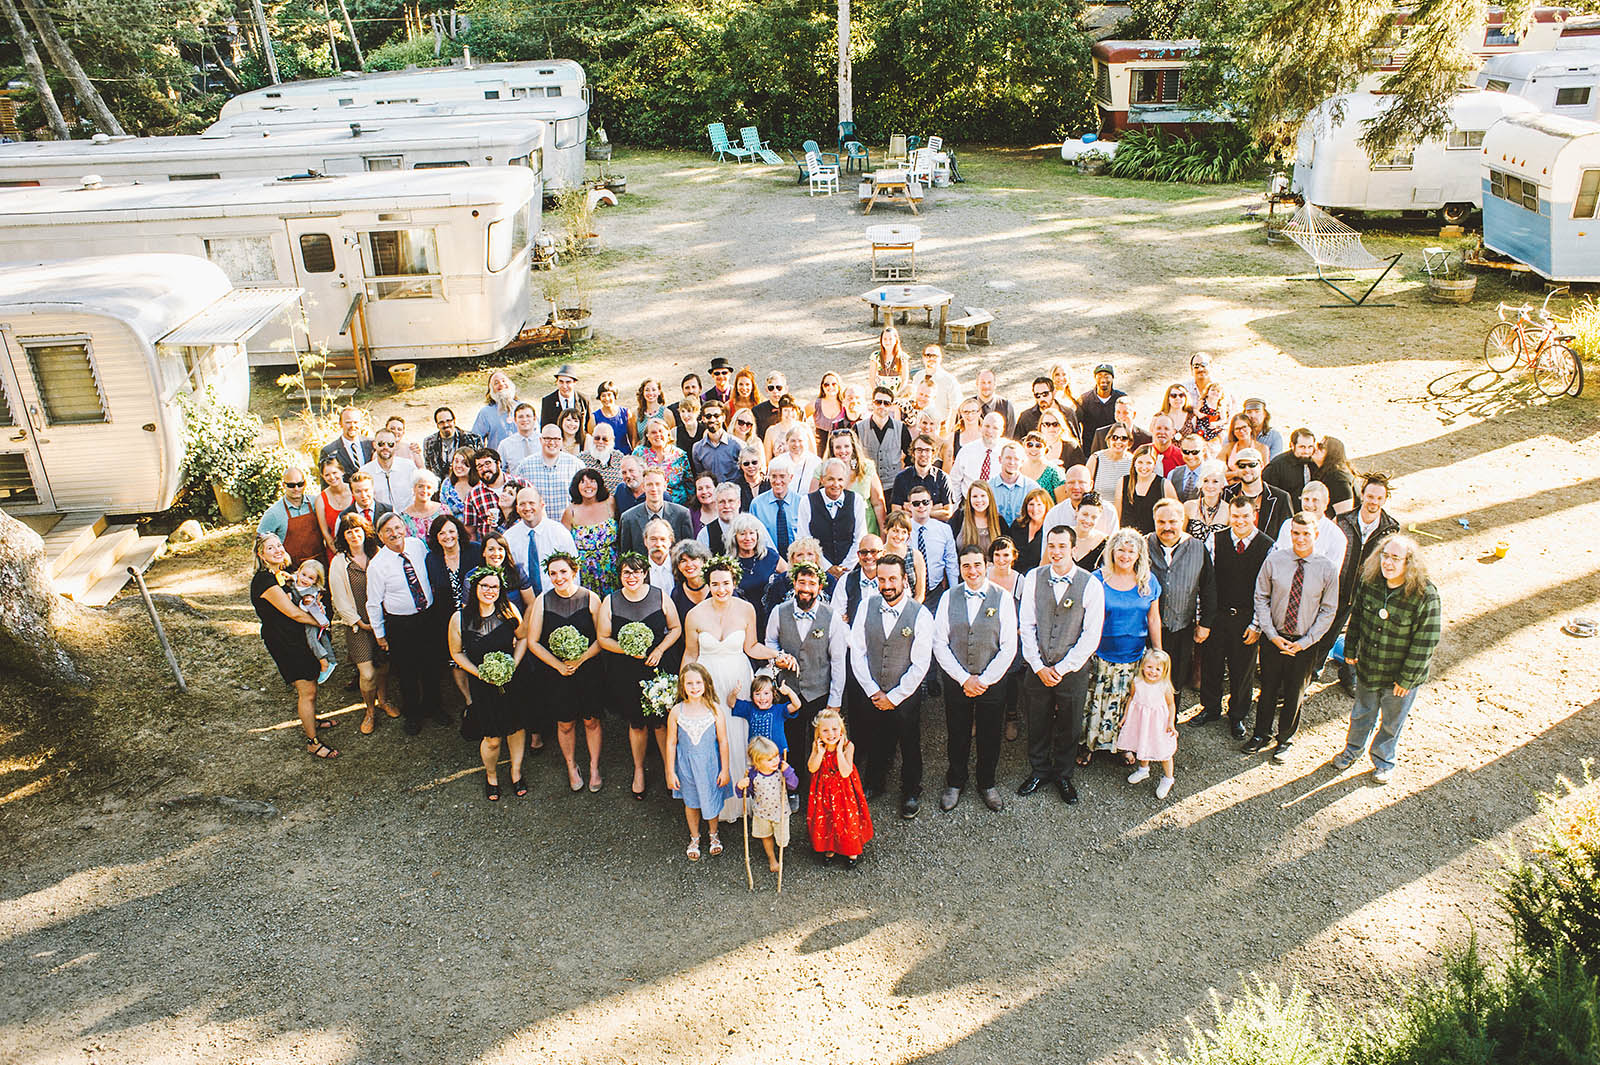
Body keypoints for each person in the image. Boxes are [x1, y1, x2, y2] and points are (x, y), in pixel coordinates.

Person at [1333, 534, 1441, 783]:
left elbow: (1425, 642)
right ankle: (1352, 751)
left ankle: (1383, 761)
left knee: (1392, 723)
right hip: (1369, 666)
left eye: (1395, 558)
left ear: (1409, 562)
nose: (1388, 563)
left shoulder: (1425, 595)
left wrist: (1406, 679)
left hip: (1399, 678)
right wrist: (1350, 650)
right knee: (1362, 713)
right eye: (1385, 556)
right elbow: (1357, 617)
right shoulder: (1370, 581)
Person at [684, 555, 783, 823]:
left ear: (734, 582)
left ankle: (747, 797)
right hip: (708, 683)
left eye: (726, 583)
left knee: (740, 735)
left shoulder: (746, 609)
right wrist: (682, 689)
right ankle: (719, 801)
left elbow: (751, 647)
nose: (721, 589)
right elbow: (690, 654)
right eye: (715, 584)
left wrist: (777, 655)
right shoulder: (695, 615)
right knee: (716, 737)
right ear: (708, 583)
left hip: (738, 680)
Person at [1016, 525, 1103, 803]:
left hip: (1073, 669)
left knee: (1070, 723)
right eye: (1051, 546)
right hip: (1037, 666)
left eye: (1062, 546)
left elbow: (1091, 635)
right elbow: (1026, 624)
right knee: (1037, 719)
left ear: (1073, 549)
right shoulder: (1034, 577)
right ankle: (1039, 770)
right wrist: (1039, 666)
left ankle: (1064, 775)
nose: (1055, 552)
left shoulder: (1090, 583)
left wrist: (1063, 668)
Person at [1246, 512, 1339, 762]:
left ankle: (1285, 738)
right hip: (1274, 638)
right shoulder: (1275, 561)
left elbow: (1329, 609)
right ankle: (1260, 734)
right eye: (1296, 533)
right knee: (1267, 689)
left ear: (1316, 535)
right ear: (1290, 533)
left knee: (1295, 692)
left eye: (1306, 533)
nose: (1300, 538)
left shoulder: (1327, 569)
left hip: (1304, 642)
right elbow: (1261, 597)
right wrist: (1272, 634)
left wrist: (1305, 642)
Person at [933, 545, 1019, 813]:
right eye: (966, 566)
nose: (972, 571)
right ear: (960, 569)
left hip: (992, 681)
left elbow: (1009, 645)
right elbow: (940, 643)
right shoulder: (949, 597)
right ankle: (955, 781)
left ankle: (987, 782)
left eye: (977, 565)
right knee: (957, 732)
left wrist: (985, 679)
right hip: (957, 681)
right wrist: (963, 679)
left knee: (990, 734)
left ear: (986, 566)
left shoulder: (1002, 598)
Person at [848, 553, 934, 819]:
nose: (887, 585)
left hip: (904, 693)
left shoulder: (920, 614)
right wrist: (873, 690)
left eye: (893, 579)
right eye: (882, 579)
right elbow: (857, 651)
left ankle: (910, 790)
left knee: (909, 741)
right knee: (874, 736)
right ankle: (875, 782)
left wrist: (894, 696)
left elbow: (920, 664)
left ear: (904, 579)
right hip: (871, 689)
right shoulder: (866, 606)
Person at [596, 552, 682, 799]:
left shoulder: (660, 596)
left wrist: (659, 649)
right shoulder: (610, 601)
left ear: (645, 573)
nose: (631, 577)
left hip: (657, 665)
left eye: (636, 572)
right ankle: (638, 770)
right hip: (627, 669)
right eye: (626, 572)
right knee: (636, 723)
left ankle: (669, 769)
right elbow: (603, 638)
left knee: (661, 723)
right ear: (620, 575)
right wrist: (627, 650)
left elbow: (675, 628)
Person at [765, 559, 848, 800]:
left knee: (819, 743)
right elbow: (770, 642)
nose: (806, 588)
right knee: (790, 742)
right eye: (802, 582)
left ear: (820, 588)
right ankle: (793, 790)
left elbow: (838, 660)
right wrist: (777, 658)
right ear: (794, 584)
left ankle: (819, 792)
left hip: (818, 691)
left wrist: (835, 700)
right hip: (788, 691)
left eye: (812, 583)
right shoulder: (778, 612)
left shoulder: (830, 616)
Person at [252, 533, 337, 760]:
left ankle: (313, 720)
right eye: (270, 548)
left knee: (311, 685)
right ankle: (312, 742)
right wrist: (321, 623)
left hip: (296, 638)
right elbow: (293, 614)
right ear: (261, 554)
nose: (278, 550)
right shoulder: (264, 581)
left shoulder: (280, 576)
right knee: (307, 691)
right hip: (284, 642)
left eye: (279, 545)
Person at [523, 551, 604, 791]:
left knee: (591, 721)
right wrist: (558, 665)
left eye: (563, 572)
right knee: (565, 723)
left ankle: (594, 767)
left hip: (587, 669)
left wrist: (581, 659)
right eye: (553, 573)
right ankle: (571, 766)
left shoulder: (591, 598)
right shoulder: (542, 601)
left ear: (574, 572)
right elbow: (533, 642)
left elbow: (602, 638)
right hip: (556, 673)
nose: (558, 577)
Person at [1193, 497, 1272, 739]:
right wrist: (1203, 619)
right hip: (1218, 613)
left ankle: (1237, 715)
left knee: (1242, 670)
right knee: (1212, 664)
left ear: (1254, 516)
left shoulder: (1267, 546)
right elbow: (1205, 582)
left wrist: (1257, 625)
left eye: (1245, 516)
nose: (1240, 521)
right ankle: (1211, 707)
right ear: (1230, 516)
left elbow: (1267, 589)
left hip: (1247, 617)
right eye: (1235, 516)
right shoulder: (1215, 540)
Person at [449, 567, 530, 801]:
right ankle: (491, 775)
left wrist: (513, 663)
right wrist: (479, 673)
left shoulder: (508, 611)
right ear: (474, 588)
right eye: (484, 585)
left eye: (494, 586)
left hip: (511, 681)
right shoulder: (459, 618)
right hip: (482, 685)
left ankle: (516, 771)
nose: (489, 590)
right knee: (492, 738)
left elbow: (523, 637)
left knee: (515, 728)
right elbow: (456, 652)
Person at [1082, 528, 1162, 766]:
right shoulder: (1097, 578)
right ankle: (1088, 746)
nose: (1125, 556)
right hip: (1100, 654)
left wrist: (1157, 652)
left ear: (1139, 554)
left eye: (1131, 551)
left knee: (1127, 703)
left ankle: (1124, 746)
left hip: (1133, 654)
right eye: (1121, 550)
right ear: (1112, 551)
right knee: (1093, 702)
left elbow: (1153, 618)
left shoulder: (1148, 581)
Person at [367, 513, 444, 736]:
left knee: (432, 664)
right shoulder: (377, 565)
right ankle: (413, 714)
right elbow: (373, 603)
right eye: (388, 531)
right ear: (380, 536)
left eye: (397, 527)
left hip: (427, 616)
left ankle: (434, 707)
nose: (394, 533)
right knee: (407, 671)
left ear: (405, 528)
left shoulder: (417, 545)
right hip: (400, 624)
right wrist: (380, 635)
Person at [1330, 474, 1401, 693]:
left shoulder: (1391, 529)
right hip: (1339, 587)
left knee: (1359, 637)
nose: (1374, 502)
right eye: (1370, 496)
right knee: (1328, 631)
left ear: (1385, 499)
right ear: (1362, 495)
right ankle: (1313, 670)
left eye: (1379, 498)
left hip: (1368, 591)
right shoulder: (1342, 521)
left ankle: (1349, 676)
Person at [329, 512, 394, 734]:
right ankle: (369, 710)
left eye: (357, 530)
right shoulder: (339, 563)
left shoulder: (378, 554)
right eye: (349, 532)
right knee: (367, 674)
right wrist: (360, 622)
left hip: (383, 623)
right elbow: (339, 598)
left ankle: (384, 700)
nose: (354, 535)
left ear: (365, 532)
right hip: (359, 627)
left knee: (384, 667)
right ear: (343, 536)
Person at [1147, 499, 1214, 711]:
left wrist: (1205, 623)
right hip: (1146, 628)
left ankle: (1169, 722)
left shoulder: (1197, 548)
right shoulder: (1142, 545)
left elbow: (1209, 588)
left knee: (1175, 678)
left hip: (1181, 627)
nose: (1167, 527)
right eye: (1161, 522)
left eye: (1172, 521)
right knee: (1146, 677)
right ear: (1155, 522)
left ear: (1182, 521)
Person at [665, 663, 733, 862]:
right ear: (682, 686)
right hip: (686, 767)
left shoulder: (714, 710)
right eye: (689, 683)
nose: (694, 687)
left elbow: (723, 741)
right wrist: (670, 771)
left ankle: (713, 833)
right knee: (691, 802)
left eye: (698, 682)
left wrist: (725, 769)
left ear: (706, 683)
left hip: (710, 766)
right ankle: (694, 836)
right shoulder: (677, 712)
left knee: (710, 799)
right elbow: (670, 743)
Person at [808, 707, 873, 867]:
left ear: (841, 730)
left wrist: (838, 751)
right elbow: (811, 767)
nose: (831, 734)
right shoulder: (817, 746)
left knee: (846, 819)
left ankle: (851, 850)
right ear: (818, 732)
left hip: (844, 791)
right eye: (825, 730)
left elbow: (845, 771)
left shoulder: (848, 746)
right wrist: (820, 753)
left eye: (834, 729)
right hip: (824, 791)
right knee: (828, 817)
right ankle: (830, 846)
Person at [1117, 648, 1178, 799]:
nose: (1153, 672)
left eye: (1158, 669)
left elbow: (1171, 705)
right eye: (1149, 667)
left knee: (1163, 751)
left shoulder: (1164, 687)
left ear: (1164, 670)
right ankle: (1144, 769)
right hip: (1141, 721)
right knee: (1142, 743)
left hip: (1158, 724)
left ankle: (1168, 778)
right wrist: (1125, 716)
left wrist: (1171, 722)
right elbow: (1131, 698)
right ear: (1143, 666)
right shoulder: (1137, 682)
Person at [798, 459, 867, 590]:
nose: (836, 484)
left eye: (840, 480)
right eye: (831, 479)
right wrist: (827, 568)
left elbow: (860, 538)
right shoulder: (806, 501)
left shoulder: (856, 500)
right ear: (822, 480)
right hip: (818, 571)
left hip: (850, 570)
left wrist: (844, 568)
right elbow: (804, 539)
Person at [736, 734, 798, 874]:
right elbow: (746, 794)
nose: (776, 760)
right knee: (766, 836)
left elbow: (794, 785)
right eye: (770, 759)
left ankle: (781, 852)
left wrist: (788, 772)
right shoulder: (753, 774)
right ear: (757, 762)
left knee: (782, 840)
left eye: (776, 755)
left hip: (781, 812)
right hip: (762, 813)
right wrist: (740, 787)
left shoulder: (781, 770)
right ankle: (772, 859)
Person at [502, 486, 576, 595]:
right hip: (525, 601)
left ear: (541, 505)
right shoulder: (509, 538)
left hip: (557, 597)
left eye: (531, 503)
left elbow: (574, 568)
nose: (527, 508)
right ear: (517, 508)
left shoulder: (559, 532)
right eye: (522, 504)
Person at [562, 469, 619, 595]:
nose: (588, 485)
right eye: (582, 482)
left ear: (599, 484)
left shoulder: (610, 503)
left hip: (611, 568)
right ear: (576, 486)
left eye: (592, 481)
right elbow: (563, 545)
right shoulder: (570, 511)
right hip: (585, 572)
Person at [514, 424, 585, 524]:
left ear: (561, 441)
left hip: (568, 527)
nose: (552, 443)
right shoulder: (525, 467)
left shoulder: (576, 465)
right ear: (540, 440)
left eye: (556, 439)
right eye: (547, 438)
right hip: (537, 527)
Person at [257, 466, 322, 568]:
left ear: (305, 483)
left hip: (320, 565)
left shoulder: (317, 502)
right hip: (291, 569)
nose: (296, 489)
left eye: (300, 484)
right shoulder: (273, 513)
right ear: (283, 485)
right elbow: (260, 543)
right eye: (291, 485)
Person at [618, 468, 693, 555]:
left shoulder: (682, 514)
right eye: (649, 484)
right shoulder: (628, 518)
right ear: (643, 487)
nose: (654, 489)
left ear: (665, 486)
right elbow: (625, 556)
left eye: (658, 484)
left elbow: (688, 552)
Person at [904, 486, 959, 603]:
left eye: (925, 502)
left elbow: (951, 562)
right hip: (908, 592)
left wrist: (954, 593)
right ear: (909, 506)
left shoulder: (944, 529)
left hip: (935, 591)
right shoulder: (902, 530)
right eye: (916, 503)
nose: (921, 506)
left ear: (931, 504)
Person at [1223, 447, 1293, 539]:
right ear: (1236, 468)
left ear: (1261, 466)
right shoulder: (1225, 493)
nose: (1247, 470)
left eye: (1252, 465)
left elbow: (1287, 533)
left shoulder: (1281, 498)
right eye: (1242, 466)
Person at [1274, 481, 1347, 569]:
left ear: (1326, 503)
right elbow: (1279, 559)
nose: (1310, 505)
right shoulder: (1288, 525)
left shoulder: (1336, 536)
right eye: (1306, 499)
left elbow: (1331, 574)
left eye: (1315, 500)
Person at [289, 558, 337, 684]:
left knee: (312, 639)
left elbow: (307, 608)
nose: (305, 580)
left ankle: (324, 663)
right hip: (305, 620)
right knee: (323, 638)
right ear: (298, 572)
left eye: (311, 578)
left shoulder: (310, 593)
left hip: (312, 619)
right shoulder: (295, 580)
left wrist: (307, 603)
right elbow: (292, 578)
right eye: (303, 575)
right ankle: (331, 659)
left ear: (316, 581)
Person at [460, 450, 522, 544]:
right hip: (491, 551)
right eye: (480, 466)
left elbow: (538, 513)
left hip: (520, 545)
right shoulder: (473, 495)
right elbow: (470, 531)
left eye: (488, 463)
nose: (484, 469)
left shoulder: (520, 483)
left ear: (498, 463)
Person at [733, 516, 785, 627]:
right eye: (742, 534)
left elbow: (791, 576)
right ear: (735, 537)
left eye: (752, 533)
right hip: (742, 621)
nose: (748, 538)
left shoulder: (770, 556)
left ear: (758, 535)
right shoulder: (729, 562)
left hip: (771, 618)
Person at [1117, 444, 1178, 534]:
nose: (1144, 467)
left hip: (1153, 540)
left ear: (1154, 464)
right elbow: (1117, 514)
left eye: (1149, 463)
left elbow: (1176, 514)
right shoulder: (1123, 482)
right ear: (1134, 463)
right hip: (1127, 539)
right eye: (1140, 462)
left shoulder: (1164, 485)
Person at [891, 435, 954, 518]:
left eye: (927, 450)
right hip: (910, 527)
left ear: (933, 453)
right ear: (913, 453)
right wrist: (934, 509)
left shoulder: (942, 478)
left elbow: (948, 513)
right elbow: (896, 511)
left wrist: (915, 510)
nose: (923, 454)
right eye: (919, 450)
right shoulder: (901, 478)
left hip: (935, 527)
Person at [750, 457, 802, 558]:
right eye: (774, 476)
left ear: (791, 477)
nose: (778, 481)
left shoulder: (801, 503)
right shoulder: (757, 505)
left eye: (782, 476)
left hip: (797, 561)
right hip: (767, 560)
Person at [423, 406, 482, 481]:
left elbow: (479, 465)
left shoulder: (473, 439)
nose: (446, 425)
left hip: (468, 484)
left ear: (454, 421)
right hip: (440, 487)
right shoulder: (429, 442)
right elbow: (429, 468)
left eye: (448, 421)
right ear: (437, 425)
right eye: (441, 422)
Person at [881, 512, 928, 603]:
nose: (899, 536)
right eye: (895, 531)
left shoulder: (916, 555)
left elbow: (920, 594)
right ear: (886, 530)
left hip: (910, 607)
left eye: (904, 532)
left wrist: (908, 612)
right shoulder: (878, 554)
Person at [692, 400, 742, 484]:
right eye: (708, 416)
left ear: (723, 417)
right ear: (703, 419)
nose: (712, 419)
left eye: (716, 415)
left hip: (733, 493)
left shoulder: (737, 445)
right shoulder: (697, 448)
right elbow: (700, 475)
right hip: (711, 493)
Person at [313, 456, 353, 559]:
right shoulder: (321, 499)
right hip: (335, 551)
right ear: (322, 476)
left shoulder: (354, 490)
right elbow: (325, 532)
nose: (332, 477)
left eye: (335, 473)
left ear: (342, 471)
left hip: (359, 545)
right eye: (327, 475)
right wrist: (340, 555)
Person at [1076, 363, 1126, 443]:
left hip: (1116, 445)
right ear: (1095, 378)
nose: (1103, 380)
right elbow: (1076, 423)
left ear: (1112, 378)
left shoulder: (1121, 398)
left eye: (1106, 376)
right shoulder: (1084, 399)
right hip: (1090, 449)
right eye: (1099, 376)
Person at [470, 370, 520, 449]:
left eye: (504, 381)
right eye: (496, 383)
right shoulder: (485, 413)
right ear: (491, 390)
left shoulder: (524, 408)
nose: (501, 384)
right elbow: (475, 440)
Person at [319, 406, 372, 478]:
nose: (352, 426)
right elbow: (326, 483)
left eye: (355, 422)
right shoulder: (329, 451)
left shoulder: (372, 444)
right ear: (340, 423)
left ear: (361, 423)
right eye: (348, 422)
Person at [1264, 428, 1319, 499]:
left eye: (1310, 447)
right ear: (1292, 445)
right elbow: (1267, 493)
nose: (1306, 451)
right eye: (1302, 447)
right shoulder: (1277, 465)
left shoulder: (1315, 462)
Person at [952, 480, 1003, 557]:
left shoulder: (999, 520)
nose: (979, 500)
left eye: (983, 496)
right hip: (964, 566)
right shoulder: (960, 516)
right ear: (969, 499)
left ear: (989, 497)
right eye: (975, 496)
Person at [1184, 459, 1230, 543]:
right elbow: (1180, 537)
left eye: (1215, 481)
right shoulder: (1188, 506)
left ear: (1222, 484)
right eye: (1206, 481)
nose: (1210, 486)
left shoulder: (1229, 509)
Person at [1087, 424, 1135, 503]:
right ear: (1108, 440)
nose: (1118, 441)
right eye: (1114, 438)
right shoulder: (1096, 459)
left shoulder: (1133, 462)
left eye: (1124, 438)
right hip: (1097, 510)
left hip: (1122, 512)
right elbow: (1085, 487)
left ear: (1129, 442)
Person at [1088, 396, 1153, 454]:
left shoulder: (1146, 438)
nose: (1121, 416)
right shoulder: (1101, 434)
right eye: (1118, 412)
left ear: (1134, 414)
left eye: (1126, 413)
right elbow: (1094, 460)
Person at [1008, 488, 1053, 573]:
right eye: (1031, 504)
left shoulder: (1050, 529)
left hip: (1038, 575)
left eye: (1039, 505)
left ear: (1047, 506)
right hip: (1015, 575)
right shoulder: (1017, 525)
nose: (1035, 509)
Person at [919, 344, 962, 430]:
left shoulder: (949, 380)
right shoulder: (917, 377)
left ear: (940, 358)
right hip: (919, 426)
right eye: (928, 355)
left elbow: (955, 407)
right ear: (923, 358)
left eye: (935, 356)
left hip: (941, 428)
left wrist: (949, 431)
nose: (931, 358)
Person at [1016, 375, 1073, 440]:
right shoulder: (1026, 417)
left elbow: (1077, 443)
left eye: (1045, 394)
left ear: (1053, 392)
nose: (1042, 398)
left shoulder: (1068, 413)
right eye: (1037, 395)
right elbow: (1017, 444)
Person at [580, 421, 626, 496]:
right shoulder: (582, 459)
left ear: (612, 440)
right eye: (597, 438)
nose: (600, 442)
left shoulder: (620, 458)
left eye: (605, 439)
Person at [1313, 435, 1358, 515]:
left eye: (1321, 446)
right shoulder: (1328, 473)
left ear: (1332, 452)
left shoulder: (1338, 479)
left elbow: (1344, 516)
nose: (1315, 448)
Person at [669, 537, 710, 619]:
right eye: (683, 561)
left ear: (704, 562)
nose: (689, 564)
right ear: (678, 566)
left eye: (693, 559)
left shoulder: (716, 586)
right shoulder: (677, 594)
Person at [398, 470, 445, 541]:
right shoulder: (404, 518)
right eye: (420, 486)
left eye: (428, 487)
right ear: (414, 488)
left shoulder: (443, 511)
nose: (424, 490)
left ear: (434, 490)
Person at [540, 363, 590, 429]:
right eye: (561, 382)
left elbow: (589, 425)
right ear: (556, 382)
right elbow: (545, 427)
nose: (564, 386)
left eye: (568, 382)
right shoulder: (548, 401)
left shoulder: (584, 399)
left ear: (574, 383)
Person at [1018, 432, 1065, 502]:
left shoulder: (1054, 472)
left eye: (1038, 446)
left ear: (1045, 448)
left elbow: (1062, 502)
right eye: (1029, 445)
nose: (1033, 449)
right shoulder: (1018, 469)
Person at [943, 398, 985, 473]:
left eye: (973, 411)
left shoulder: (985, 435)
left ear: (979, 412)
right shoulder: (953, 437)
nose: (970, 415)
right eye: (966, 412)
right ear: (961, 413)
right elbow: (948, 462)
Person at [497, 402, 543, 469]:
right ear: (515, 420)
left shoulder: (544, 441)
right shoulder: (505, 445)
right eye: (520, 417)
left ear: (534, 418)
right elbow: (499, 470)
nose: (524, 420)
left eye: (528, 416)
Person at [1071, 493, 1110, 570]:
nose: (1088, 520)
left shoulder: (1105, 542)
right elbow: (1044, 566)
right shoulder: (1062, 534)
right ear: (1077, 511)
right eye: (1085, 514)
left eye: (1094, 517)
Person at [630, 377, 675, 444]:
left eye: (654, 390)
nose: (650, 393)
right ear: (643, 392)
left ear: (659, 391)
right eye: (647, 390)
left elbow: (672, 438)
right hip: (643, 453)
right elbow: (634, 440)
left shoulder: (667, 413)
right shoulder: (636, 414)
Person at [590, 380, 632, 450]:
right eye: (603, 395)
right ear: (599, 398)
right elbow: (592, 442)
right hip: (604, 456)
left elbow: (633, 438)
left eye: (609, 395)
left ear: (614, 396)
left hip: (624, 455)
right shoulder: (594, 417)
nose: (606, 398)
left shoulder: (625, 413)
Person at [871, 326, 910, 397]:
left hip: (897, 394)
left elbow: (905, 379)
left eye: (890, 339)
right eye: (885, 339)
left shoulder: (903, 357)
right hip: (880, 394)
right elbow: (872, 378)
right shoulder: (875, 356)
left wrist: (898, 395)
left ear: (896, 340)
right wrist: (877, 394)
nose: (887, 342)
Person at [973, 368, 1014, 435]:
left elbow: (1011, 435)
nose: (986, 386)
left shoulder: (1006, 406)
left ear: (995, 384)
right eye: (983, 382)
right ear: (977, 384)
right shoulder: (966, 407)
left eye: (989, 382)